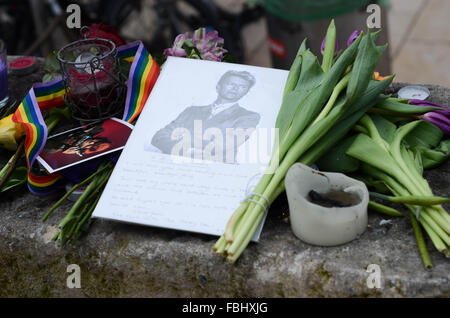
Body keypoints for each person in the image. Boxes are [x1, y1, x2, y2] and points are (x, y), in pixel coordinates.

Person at [149, 70, 260, 163]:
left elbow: (224, 145)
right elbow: (159, 137)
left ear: (246, 92)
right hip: (173, 165)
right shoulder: (191, 111)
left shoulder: (248, 117)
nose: (235, 88)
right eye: (231, 84)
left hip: (214, 170)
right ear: (218, 87)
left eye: (242, 87)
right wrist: (185, 151)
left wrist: (185, 141)